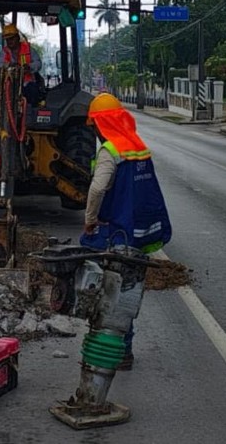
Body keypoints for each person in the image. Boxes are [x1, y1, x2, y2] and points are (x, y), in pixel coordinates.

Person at [81, 91, 172, 370]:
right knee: (129, 289)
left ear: (101, 124)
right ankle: (125, 350)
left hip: (117, 233)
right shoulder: (138, 145)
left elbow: (98, 189)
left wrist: (89, 219)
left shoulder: (110, 151)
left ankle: (109, 350)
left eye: (94, 125)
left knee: (107, 291)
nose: (94, 131)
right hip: (140, 232)